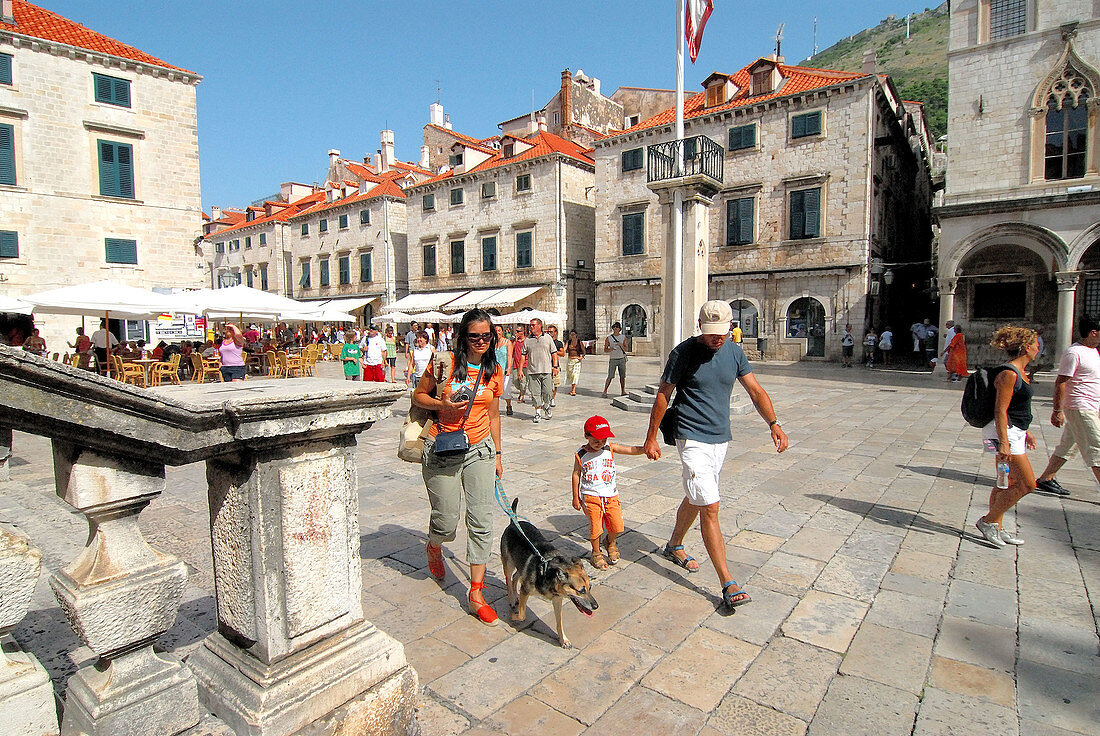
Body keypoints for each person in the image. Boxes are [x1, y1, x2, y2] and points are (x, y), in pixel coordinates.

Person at [643, 301, 788, 610]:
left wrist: (774, 424)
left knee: (697, 496)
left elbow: (756, 391)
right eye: (711, 334)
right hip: (690, 435)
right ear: (699, 326)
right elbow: (663, 395)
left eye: (721, 333)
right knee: (710, 505)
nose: (716, 339)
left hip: (720, 438)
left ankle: (673, 545)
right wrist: (650, 438)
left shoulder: (734, 352)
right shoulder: (682, 353)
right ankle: (727, 581)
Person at [413, 309, 504, 626]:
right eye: (474, 336)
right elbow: (418, 395)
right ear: (462, 337)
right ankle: (434, 545)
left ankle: (476, 592)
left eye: (487, 335)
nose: (481, 341)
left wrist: (499, 454)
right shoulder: (443, 363)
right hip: (442, 446)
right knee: (447, 520)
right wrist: (443, 405)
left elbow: (493, 414)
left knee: (481, 520)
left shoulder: (494, 369)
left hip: (480, 449)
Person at [975, 326, 1039, 548]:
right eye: (1036, 345)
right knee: (1028, 484)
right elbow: (1000, 410)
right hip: (1001, 434)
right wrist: (1004, 443)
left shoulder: (1020, 373)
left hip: (1014, 432)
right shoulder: (1009, 373)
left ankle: (997, 527)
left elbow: (1015, 407)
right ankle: (989, 521)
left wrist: (1026, 431)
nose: (1038, 349)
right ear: (1026, 347)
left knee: (1006, 482)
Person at [1034, 315, 1100, 497]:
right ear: (1093, 332)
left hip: (1090, 407)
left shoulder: (1093, 352)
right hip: (1079, 406)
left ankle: (1046, 478)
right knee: (1097, 446)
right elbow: (1061, 382)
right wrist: (1057, 410)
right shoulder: (1074, 353)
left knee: (1068, 445)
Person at [572, 415, 645, 570]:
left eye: (603, 440)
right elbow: (576, 475)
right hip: (591, 496)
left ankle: (610, 542)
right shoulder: (581, 454)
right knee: (595, 527)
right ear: (587, 436)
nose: (600, 443)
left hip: (611, 496)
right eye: (596, 440)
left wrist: (645, 449)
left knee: (617, 526)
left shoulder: (609, 448)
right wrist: (575, 497)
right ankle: (596, 552)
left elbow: (630, 449)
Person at [519, 318, 558, 423]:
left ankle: (547, 405)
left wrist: (555, 367)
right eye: (530, 325)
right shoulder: (528, 340)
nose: (531, 327)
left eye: (533, 325)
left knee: (548, 392)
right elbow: (523, 355)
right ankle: (538, 413)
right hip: (532, 371)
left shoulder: (548, 338)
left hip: (546, 370)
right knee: (535, 393)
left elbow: (554, 353)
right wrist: (520, 369)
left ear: (540, 325)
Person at [603, 322, 628, 397]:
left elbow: (626, 349)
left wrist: (621, 345)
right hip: (613, 359)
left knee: (622, 376)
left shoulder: (623, 337)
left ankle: (623, 391)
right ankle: (605, 390)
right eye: (614, 327)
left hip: (621, 359)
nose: (615, 328)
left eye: (617, 327)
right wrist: (610, 349)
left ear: (619, 329)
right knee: (610, 376)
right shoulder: (609, 338)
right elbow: (605, 349)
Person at [506, 324, 527, 412]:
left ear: (523, 332)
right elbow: (511, 351)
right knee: (515, 381)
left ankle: (521, 395)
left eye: (518, 331)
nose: (517, 333)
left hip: (525, 364)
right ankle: (522, 391)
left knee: (522, 381)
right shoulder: (515, 341)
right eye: (516, 331)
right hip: (515, 364)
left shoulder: (526, 340)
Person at [493, 323, 512, 410]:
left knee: (505, 389)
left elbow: (509, 355)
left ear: (502, 332)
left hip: (504, 369)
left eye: (499, 331)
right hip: (494, 370)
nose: (497, 333)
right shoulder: (493, 343)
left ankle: (508, 405)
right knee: (494, 390)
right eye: (496, 331)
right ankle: (495, 408)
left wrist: (509, 367)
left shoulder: (508, 343)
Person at [547, 324, 566, 407]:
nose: (549, 333)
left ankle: (552, 398)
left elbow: (563, 353)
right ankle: (546, 398)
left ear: (555, 333)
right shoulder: (545, 341)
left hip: (555, 366)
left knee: (555, 384)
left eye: (551, 332)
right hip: (546, 365)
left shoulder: (558, 343)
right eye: (548, 332)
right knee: (546, 384)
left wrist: (554, 351)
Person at [566, 329, 584, 396]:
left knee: (575, 375)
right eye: (571, 334)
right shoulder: (568, 342)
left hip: (577, 361)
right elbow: (564, 349)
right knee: (571, 375)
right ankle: (572, 388)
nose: (572, 336)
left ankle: (573, 390)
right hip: (570, 360)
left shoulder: (579, 342)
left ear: (576, 335)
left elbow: (584, 351)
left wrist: (581, 357)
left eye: (573, 334)